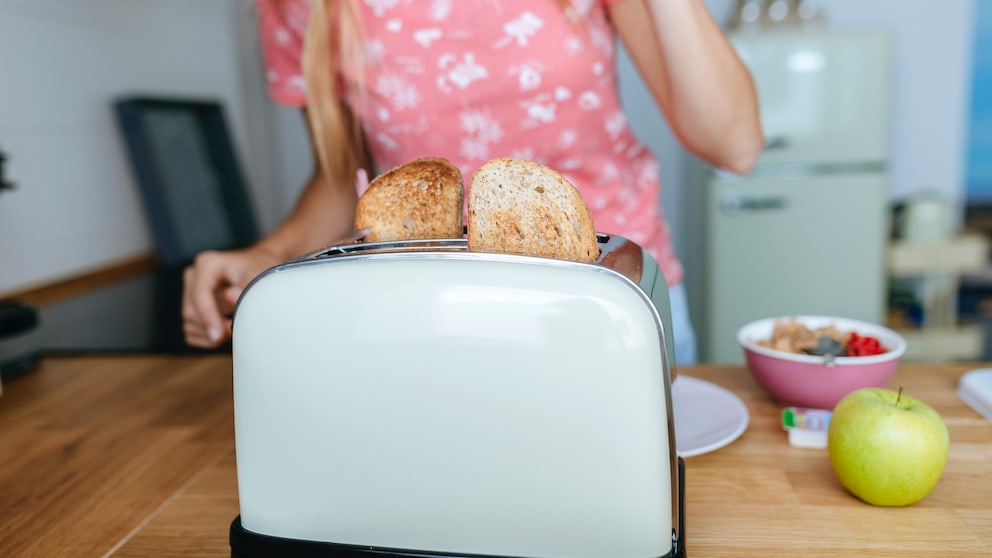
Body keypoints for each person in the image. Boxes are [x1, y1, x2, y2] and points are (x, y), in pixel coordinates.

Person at [182, 0, 763, 365]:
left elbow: (734, 144)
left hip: (616, 307)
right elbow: (341, 177)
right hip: (433, 321)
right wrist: (268, 255)